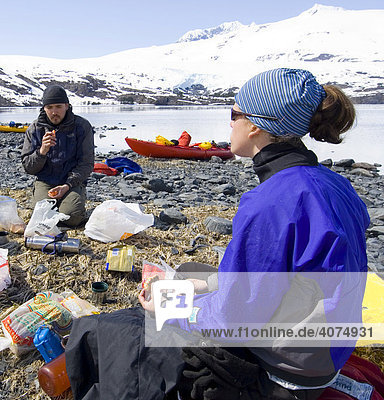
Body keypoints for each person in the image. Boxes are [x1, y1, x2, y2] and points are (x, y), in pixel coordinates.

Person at [64, 68, 370, 399]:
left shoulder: (272, 202)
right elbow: (291, 276)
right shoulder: (335, 185)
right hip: (320, 354)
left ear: (255, 125)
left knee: (119, 332)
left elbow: (232, 319)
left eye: (234, 113)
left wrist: (173, 310)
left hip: (282, 372)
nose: (229, 123)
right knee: (190, 274)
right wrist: (204, 285)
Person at [21, 85, 94, 227]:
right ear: (44, 108)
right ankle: (53, 204)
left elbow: (86, 164)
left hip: (71, 182)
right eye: (50, 107)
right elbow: (28, 167)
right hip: (46, 181)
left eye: (58, 106)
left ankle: (71, 201)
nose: (54, 112)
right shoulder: (35, 129)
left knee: (71, 218)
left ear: (67, 106)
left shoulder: (82, 126)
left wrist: (67, 186)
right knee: (41, 218)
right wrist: (42, 151)